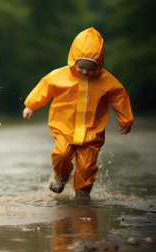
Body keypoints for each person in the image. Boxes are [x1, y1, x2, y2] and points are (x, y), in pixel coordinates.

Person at [22, 28, 133, 200]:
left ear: (99, 65)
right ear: (74, 61)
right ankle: (61, 174)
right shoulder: (59, 76)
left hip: (92, 132)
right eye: (81, 67)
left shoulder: (107, 81)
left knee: (87, 167)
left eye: (91, 69)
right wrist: (30, 105)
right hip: (64, 127)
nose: (85, 72)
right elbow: (44, 88)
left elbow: (120, 97)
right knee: (60, 154)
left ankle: (82, 194)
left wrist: (126, 120)